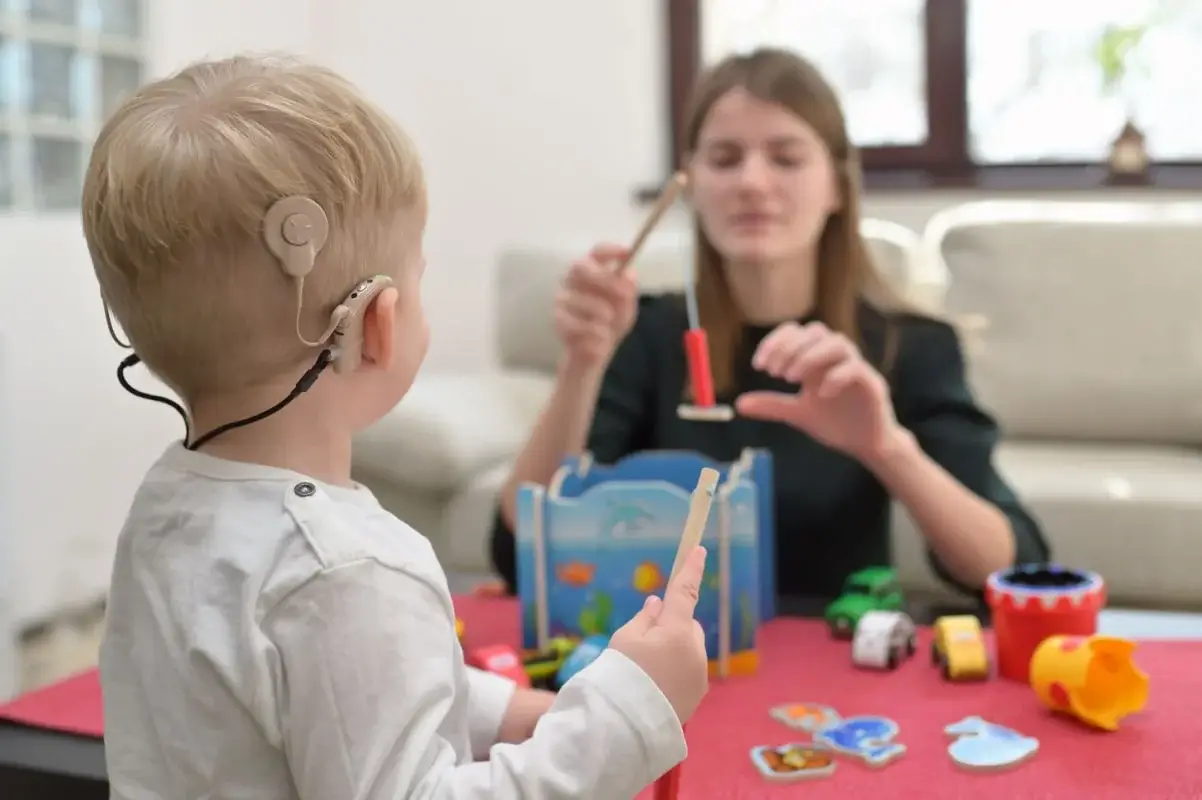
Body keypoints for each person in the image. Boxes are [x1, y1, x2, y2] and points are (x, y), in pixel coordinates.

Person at [86, 54, 708, 799]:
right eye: (419, 278)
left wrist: (504, 711)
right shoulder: (345, 569)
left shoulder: (167, 504)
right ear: (378, 323)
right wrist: (625, 714)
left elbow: (342, 692)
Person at [491, 48, 1049, 600]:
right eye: (725, 159)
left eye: (786, 159)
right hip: (671, 645)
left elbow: (1013, 567)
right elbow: (522, 553)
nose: (753, 182)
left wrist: (885, 447)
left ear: (837, 186)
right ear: (691, 184)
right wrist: (581, 364)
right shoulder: (642, 333)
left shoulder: (912, 345)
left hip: (837, 647)